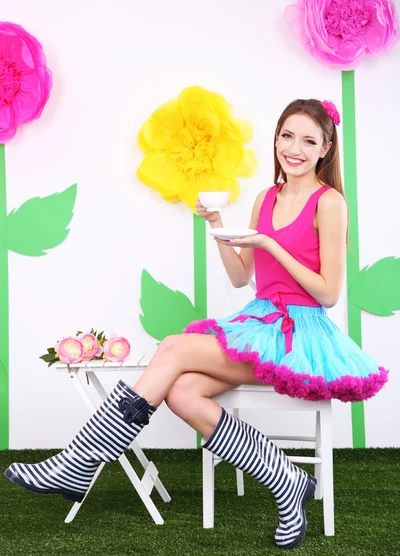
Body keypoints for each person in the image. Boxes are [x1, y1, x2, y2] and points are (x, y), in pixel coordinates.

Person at [5, 99, 388, 550]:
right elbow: (241, 276)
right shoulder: (266, 198)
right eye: (287, 135)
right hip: (260, 321)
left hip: (299, 334)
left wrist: (271, 243)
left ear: (326, 148)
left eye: (309, 140)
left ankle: (78, 462)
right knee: (182, 391)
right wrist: (220, 227)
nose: (295, 149)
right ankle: (287, 479)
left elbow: (328, 293)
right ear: (277, 138)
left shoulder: (331, 203)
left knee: (172, 347)